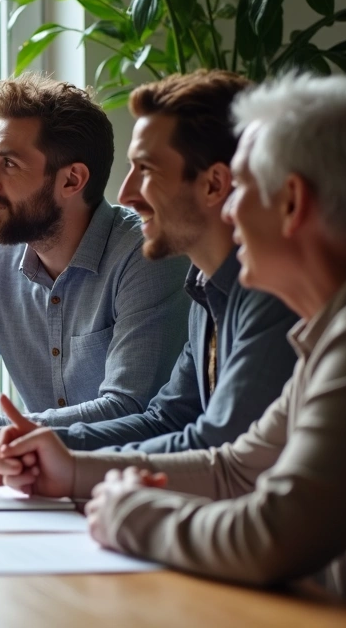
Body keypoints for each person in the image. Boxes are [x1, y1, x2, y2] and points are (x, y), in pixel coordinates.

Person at [0, 73, 346, 611]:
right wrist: (73, 470)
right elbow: (236, 464)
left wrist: (131, 513)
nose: (231, 211)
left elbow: (275, 531)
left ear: (290, 202)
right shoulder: (335, 322)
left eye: (243, 187)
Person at [0, 73, 190, 453]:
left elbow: (131, 413)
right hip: (39, 488)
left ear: (72, 180)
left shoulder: (148, 259)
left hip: (131, 488)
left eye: (8, 163)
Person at [49, 71, 297, 452]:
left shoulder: (275, 295)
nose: (126, 194)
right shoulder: (204, 287)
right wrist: (42, 441)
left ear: (214, 184)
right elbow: (165, 421)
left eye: (146, 170)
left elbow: (219, 445)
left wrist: (71, 466)